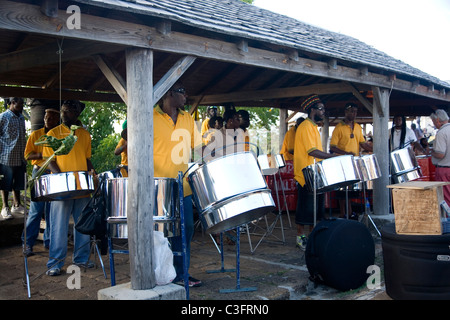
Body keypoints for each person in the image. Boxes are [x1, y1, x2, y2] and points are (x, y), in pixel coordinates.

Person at [154, 82, 202, 287]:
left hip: (183, 186)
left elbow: (198, 146)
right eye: (183, 92)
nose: (186, 96)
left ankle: (182, 273)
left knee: (185, 230)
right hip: (157, 187)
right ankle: (161, 273)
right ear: (170, 93)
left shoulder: (187, 118)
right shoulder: (150, 116)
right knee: (160, 234)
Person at [43, 100, 95, 276]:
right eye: (63, 111)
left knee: (82, 225)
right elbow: (49, 161)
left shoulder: (84, 135)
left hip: (81, 187)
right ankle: (55, 263)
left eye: (69, 111)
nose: (64, 114)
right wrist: (62, 179)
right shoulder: (53, 133)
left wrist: (93, 174)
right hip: (61, 188)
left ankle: (81, 259)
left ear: (77, 114)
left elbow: (87, 158)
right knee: (58, 226)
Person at [293, 94, 336, 250]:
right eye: (321, 109)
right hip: (305, 174)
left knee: (315, 209)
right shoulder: (305, 126)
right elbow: (312, 151)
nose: (323, 112)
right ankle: (300, 237)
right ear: (312, 110)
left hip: (314, 173)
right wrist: (332, 156)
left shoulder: (313, 127)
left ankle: (312, 237)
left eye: (324, 109)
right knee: (305, 208)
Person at [22, 108, 60, 255]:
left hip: (54, 172)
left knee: (52, 210)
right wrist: (42, 154)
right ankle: (27, 243)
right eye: (45, 118)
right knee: (36, 210)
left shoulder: (59, 135)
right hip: (39, 171)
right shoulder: (36, 135)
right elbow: (27, 155)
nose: (47, 120)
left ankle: (49, 241)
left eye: (50, 118)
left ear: (57, 120)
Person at [329, 103, 373, 219]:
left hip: (353, 163)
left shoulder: (358, 127)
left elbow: (363, 144)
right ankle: (343, 213)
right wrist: (346, 153)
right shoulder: (339, 128)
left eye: (355, 111)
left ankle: (350, 212)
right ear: (346, 112)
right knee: (342, 190)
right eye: (351, 111)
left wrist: (375, 149)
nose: (353, 114)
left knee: (351, 189)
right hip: (341, 162)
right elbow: (332, 147)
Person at [0, 97, 26, 220]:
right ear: (12, 102)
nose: (22, 107)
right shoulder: (3, 117)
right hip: (7, 157)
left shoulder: (21, 118)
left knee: (18, 183)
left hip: (20, 156)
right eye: (20, 104)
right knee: (5, 184)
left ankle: (16, 205)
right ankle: (5, 207)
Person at [430, 109, 450, 205]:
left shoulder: (442, 133)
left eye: (433, 122)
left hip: (445, 170)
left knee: (445, 199)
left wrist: (431, 152)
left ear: (437, 120)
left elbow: (441, 154)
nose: (434, 124)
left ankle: (447, 219)